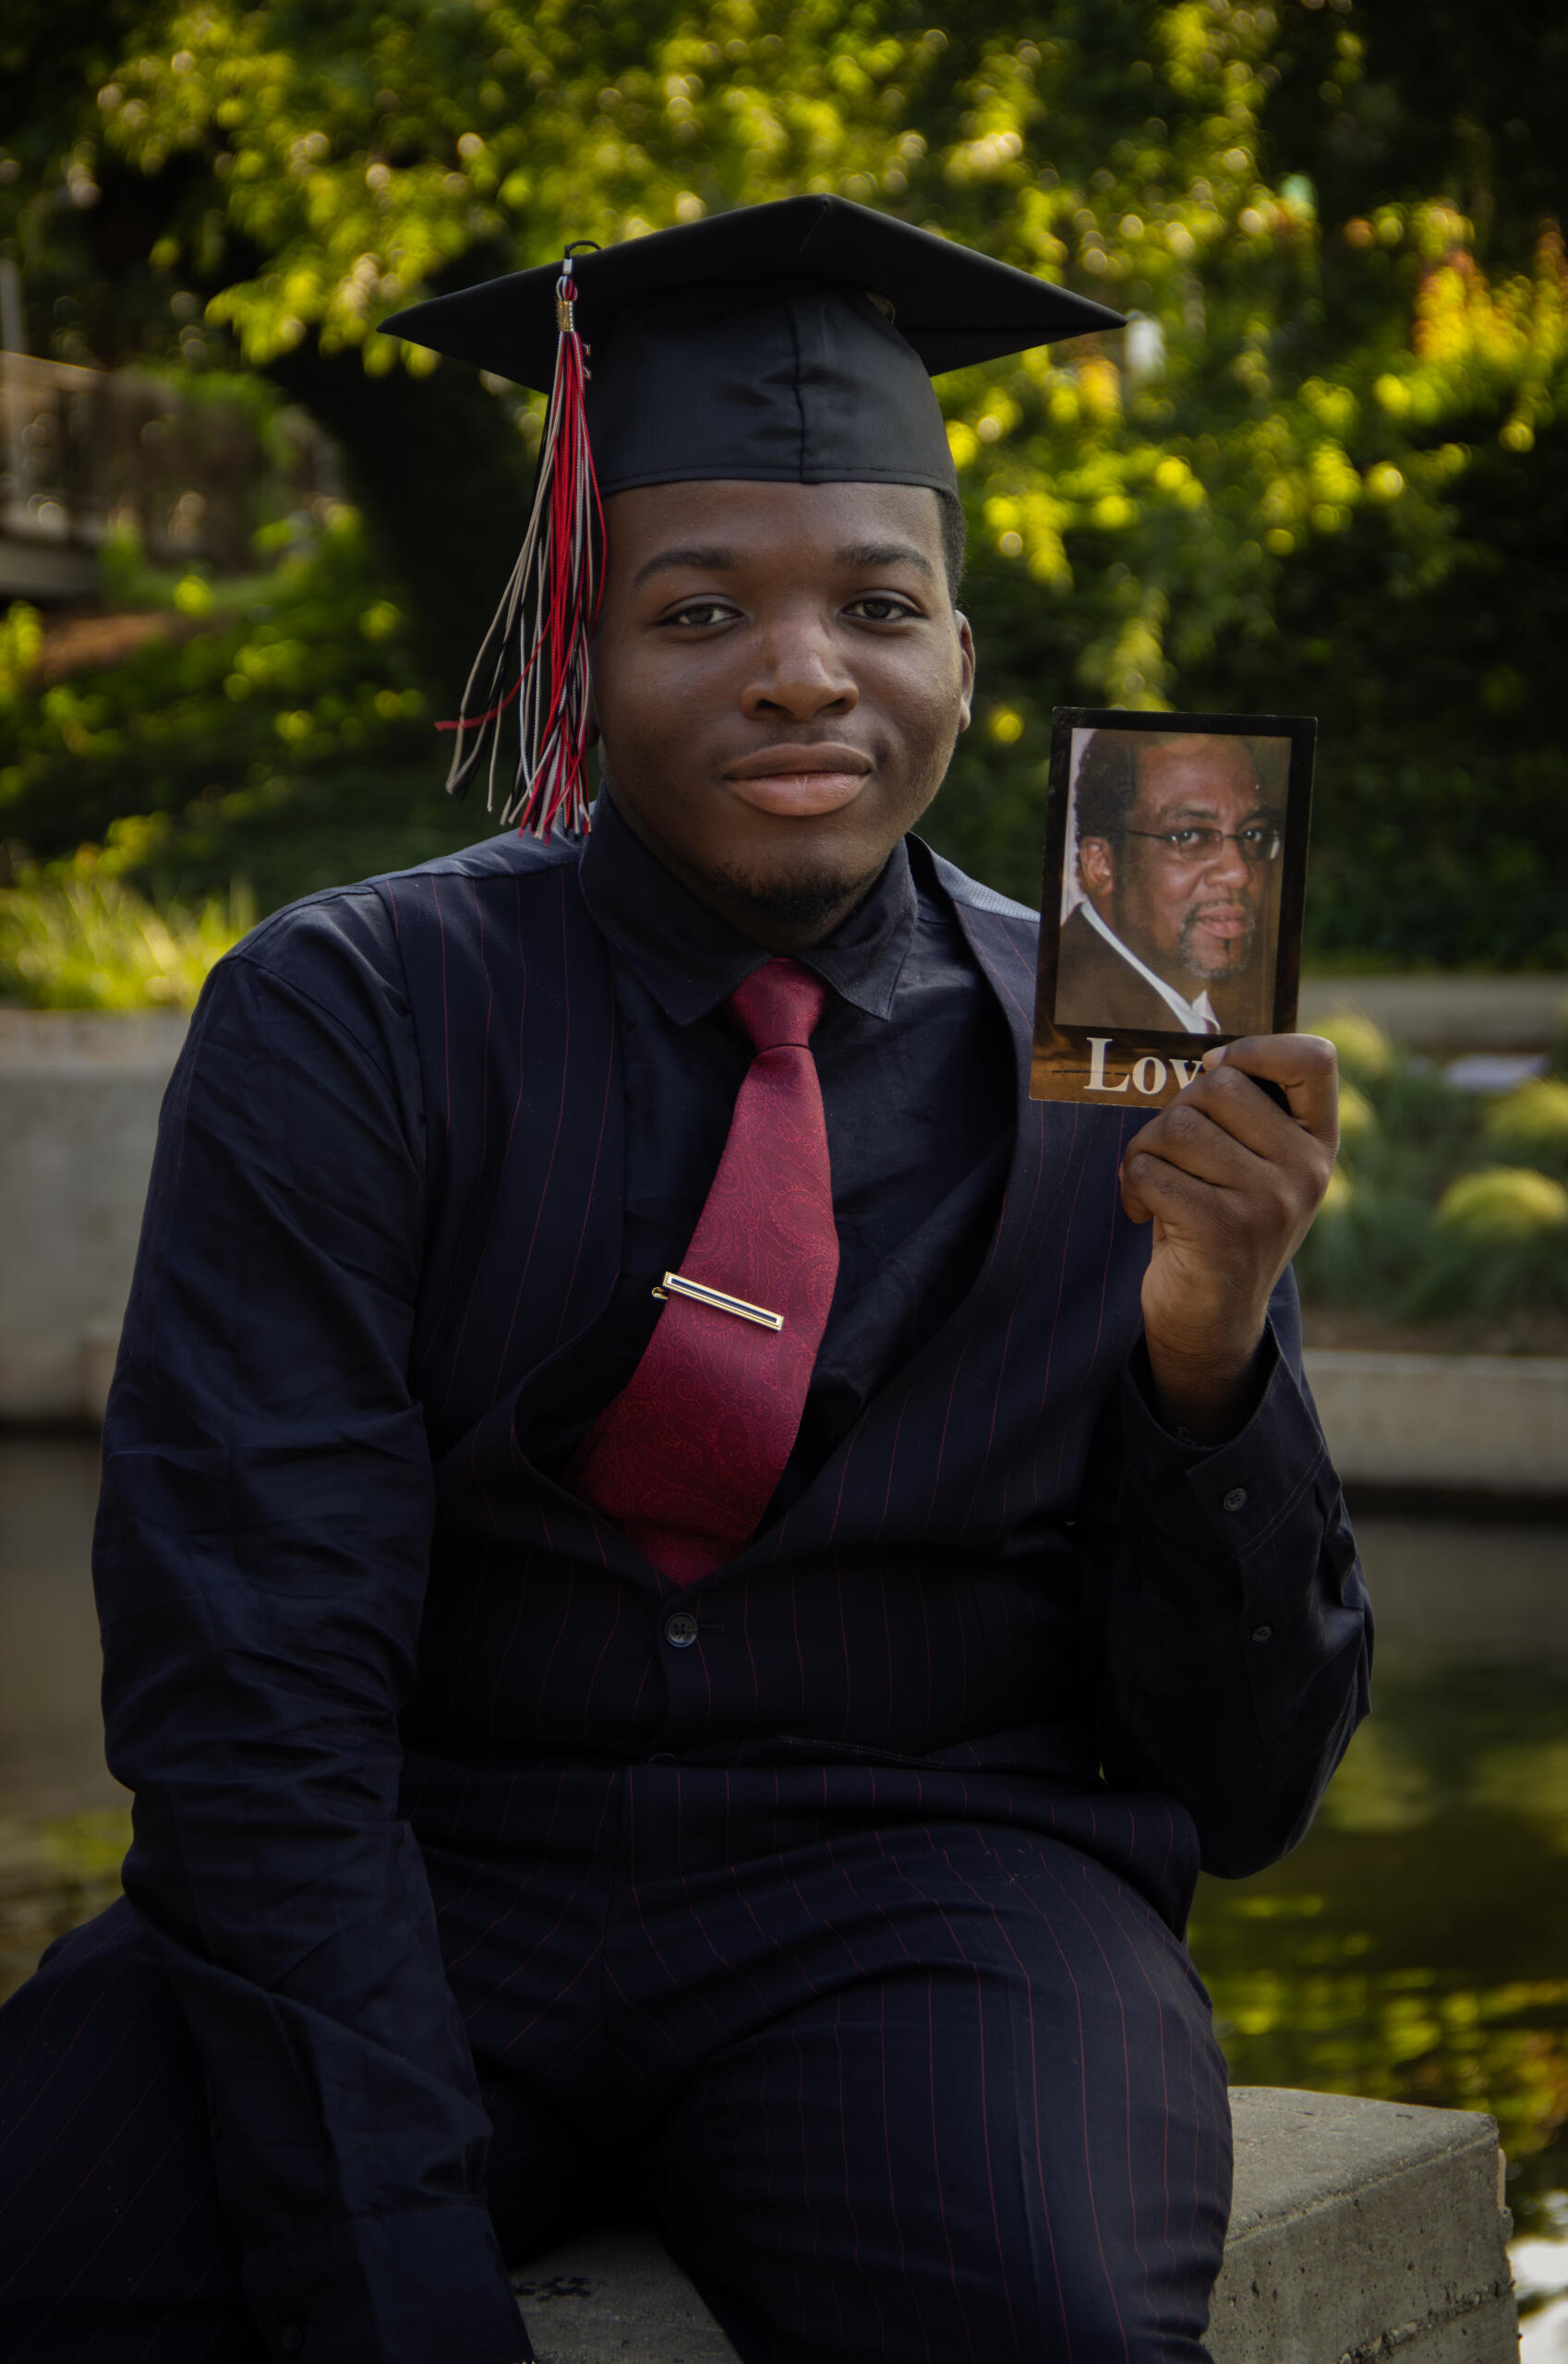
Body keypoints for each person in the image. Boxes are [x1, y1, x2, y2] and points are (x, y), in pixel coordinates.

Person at [0, 198, 1367, 2364]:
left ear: (962, 655)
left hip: (930, 1896)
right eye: (701, 606)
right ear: (582, 647)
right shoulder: (354, 1015)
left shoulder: (1136, 1052)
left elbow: (1250, 1785)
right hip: (425, 1860)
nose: (802, 668)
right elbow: (252, 1686)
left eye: (877, 605)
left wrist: (1206, 1363)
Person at [1055, 728, 1284, 1036]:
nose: (1239, 873)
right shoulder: (1065, 1014)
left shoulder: (1227, 1008)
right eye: (1189, 837)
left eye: (1253, 834)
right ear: (1102, 864)